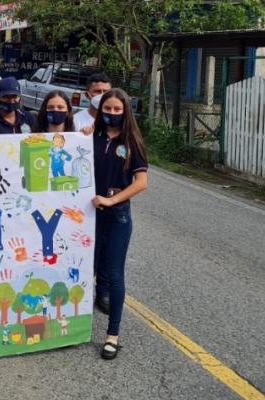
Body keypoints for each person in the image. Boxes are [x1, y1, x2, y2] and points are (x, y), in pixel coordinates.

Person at [90, 88, 148, 360]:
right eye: (107, 108)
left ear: (125, 112)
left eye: (117, 109)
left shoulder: (132, 142)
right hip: (89, 216)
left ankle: (112, 335)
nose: (112, 113)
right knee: (82, 270)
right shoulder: (92, 137)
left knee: (113, 274)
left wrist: (112, 201)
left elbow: (141, 183)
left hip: (117, 217)